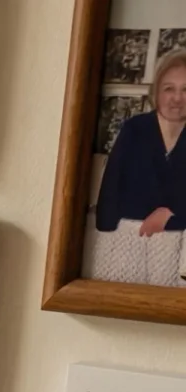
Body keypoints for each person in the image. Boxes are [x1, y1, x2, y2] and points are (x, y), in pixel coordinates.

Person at [88, 49, 186, 287]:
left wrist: (171, 218)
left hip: (177, 246)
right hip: (127, 241)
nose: (177, 98)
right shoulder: (135, 129)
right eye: (169, 88)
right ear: (156, 91)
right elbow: (110, 192)